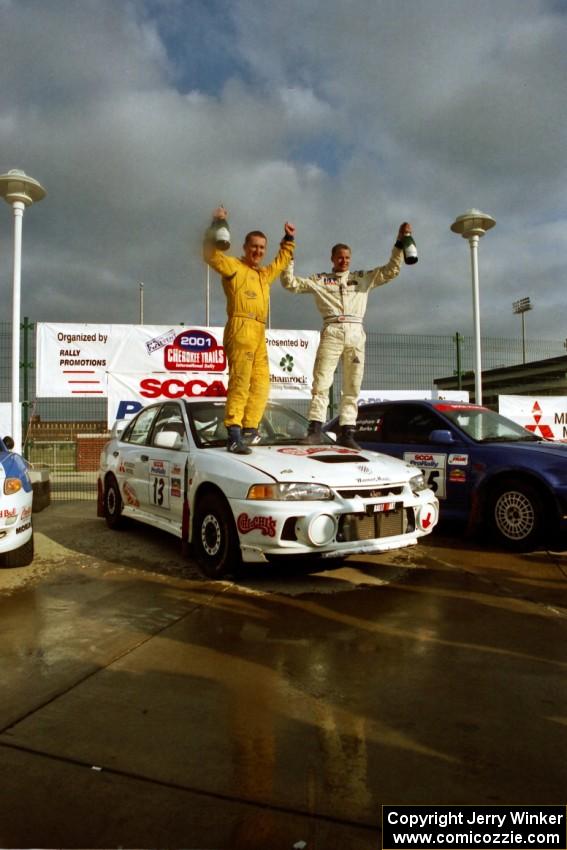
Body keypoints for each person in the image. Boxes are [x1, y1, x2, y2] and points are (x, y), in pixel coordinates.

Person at [280, 223, 412, 448]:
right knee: (321, 382)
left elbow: (391, 270)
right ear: (332, 259)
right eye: (340, 257)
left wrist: (400, 242)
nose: (344, 261)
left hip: (356, 332)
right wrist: (288, 248)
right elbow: (290, 283)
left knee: (352, 385)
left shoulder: (363, 277)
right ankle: (314, 429)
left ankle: (347, 432)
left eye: (347, 257)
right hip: (332, 329)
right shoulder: (321, 279)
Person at [203, 206, 296, 454]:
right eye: (254, 246)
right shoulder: (233, 266)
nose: (258, 251)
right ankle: (233, 432)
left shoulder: (263, 274)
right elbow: (210, 255)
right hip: (240, 325)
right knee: (241, 382)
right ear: (245, 247)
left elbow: (281, 262)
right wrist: (217, 223)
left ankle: (250, 430)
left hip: (259, 331)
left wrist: (288, 240)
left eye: (262, 248)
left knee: (262, 384)